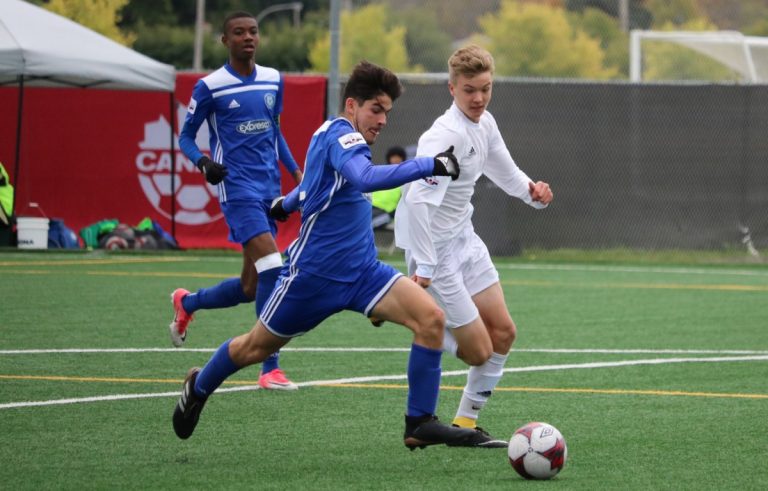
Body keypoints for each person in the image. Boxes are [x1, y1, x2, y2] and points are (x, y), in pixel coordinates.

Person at [172, 60, 492, 450]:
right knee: (254, 347)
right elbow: (364, 178)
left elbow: (310, 189)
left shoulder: (331, 135)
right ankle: (198, 386)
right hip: (314, 278)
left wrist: (284, 205)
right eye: (376, 109)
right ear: (352, 105)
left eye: (387, 112)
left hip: (363, 272)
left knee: (431, 318)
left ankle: (419, 421)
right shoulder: (343, 136)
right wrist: (432, 164)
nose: (382, 120)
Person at [394, 45, 554, 446]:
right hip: (434, 251)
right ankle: (405, 311)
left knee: (503, 333)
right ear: (452, 89)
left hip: (465, 238)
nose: (479, 98)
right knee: (479, 351)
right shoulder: (444, 136)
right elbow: (416, 202)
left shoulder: (485, 123)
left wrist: (531, 192)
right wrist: (426, 266)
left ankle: (466, 424)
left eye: (485, 88)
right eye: (469, 90)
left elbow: (502, 167)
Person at [174, 11, 303, 391]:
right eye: (239, 32)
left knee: (251, 287)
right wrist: (203, 162)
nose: (248, 37)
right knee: (273, 267)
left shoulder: (273, 79)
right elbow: (185, 137)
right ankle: (270, 367)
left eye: (253, 32)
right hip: (237, 191)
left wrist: (296, 172)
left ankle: (188, 303)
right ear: (225, 41)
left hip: (269, 189)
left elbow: (275, 132)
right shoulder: (209, 86)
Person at [371, 146, 406, 229]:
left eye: (399, 157)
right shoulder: (381, 174)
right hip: (371, 209)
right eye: (394, 157)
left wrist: (392, 214)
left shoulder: (405, 178)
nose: (396, 159)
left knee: (365, 226)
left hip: (387, 214)